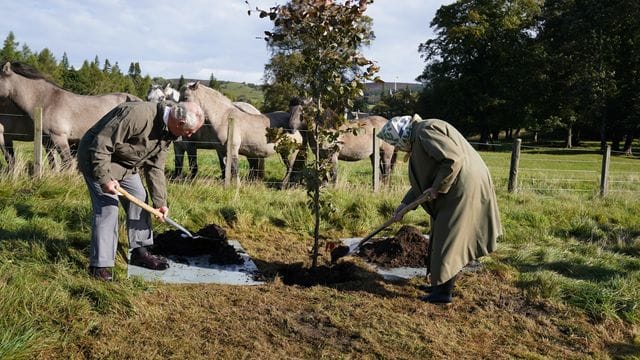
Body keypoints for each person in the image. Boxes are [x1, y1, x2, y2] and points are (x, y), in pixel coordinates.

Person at [377, 114, 502, 304]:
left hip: (462, 188)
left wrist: (437, 187)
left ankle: (443, 293)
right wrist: (404, 205)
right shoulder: (419, 136)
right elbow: (423, 181)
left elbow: (453, 160)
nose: (398, 148)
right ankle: (439, 283)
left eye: (396, 143)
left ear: (401, 136)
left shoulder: (425, 131)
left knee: (449, 238)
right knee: (442, 234)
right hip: (454, 188)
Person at [77, 100, 205, 281]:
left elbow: (155, 167)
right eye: (190, 131)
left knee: (139, 196)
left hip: (125, 164)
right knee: (108, 209)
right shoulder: (137, 115)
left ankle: (140, 251)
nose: (190, 136)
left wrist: (160, 203)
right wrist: (105, 179)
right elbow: (101, 144)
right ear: (180, 123)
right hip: (97, 159)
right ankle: (100, 266)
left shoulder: (168, 132)